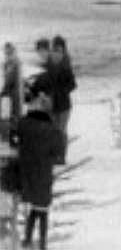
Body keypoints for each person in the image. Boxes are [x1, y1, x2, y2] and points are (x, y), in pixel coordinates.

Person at [15, 90, 63, 250]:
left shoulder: (23, 124)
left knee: (36, 205)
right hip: (42, 171)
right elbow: (58, 153)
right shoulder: (52, 130)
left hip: (24, 171)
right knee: (42, 206)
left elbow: (15, 138)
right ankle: (42, 242)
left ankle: (28, 238)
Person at [49, 36, 76, 165]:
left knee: (61, 130)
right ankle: (55, 155)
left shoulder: (66, 66)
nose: (56, 52)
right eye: (54, 49)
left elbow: (73, 84)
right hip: (52, 104)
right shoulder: (49, 65)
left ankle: (61, 156)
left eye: (58, 49)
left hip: (64, 104)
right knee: (54, 130)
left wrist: (62, 91)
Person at [0, 42, 22, 127]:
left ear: (13, 52)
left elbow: (9, 81)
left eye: (9, 53)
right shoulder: (7, 64)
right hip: (10, 96)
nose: (7, 55)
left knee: (14, 118)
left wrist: (3, 93)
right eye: (6, 53)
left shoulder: (15, 63)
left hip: (14, 96)